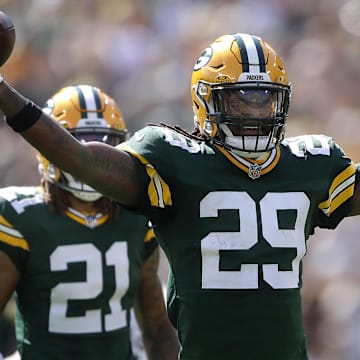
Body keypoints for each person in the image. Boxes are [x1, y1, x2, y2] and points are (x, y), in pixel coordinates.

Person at [0, 33, 359, 360]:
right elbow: (82, 160)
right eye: (240, 100)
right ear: (206, 99)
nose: (255, 113)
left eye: (265, 99)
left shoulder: (310, 162)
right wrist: (4, 92)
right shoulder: (176, 159)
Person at [0, 84, 178, 360]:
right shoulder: (21, 217)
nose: (88, 159)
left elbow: (157, 329)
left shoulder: (135, 217)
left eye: (106, 143)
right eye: (74, 144)